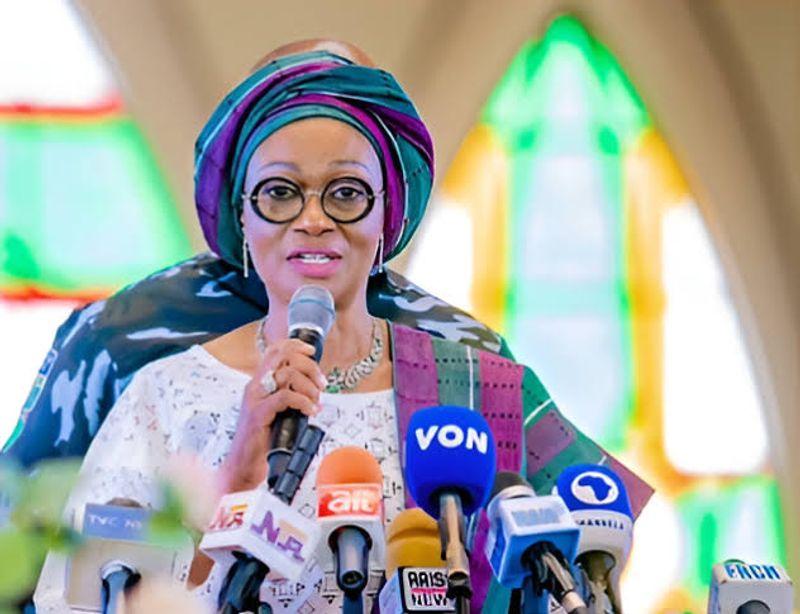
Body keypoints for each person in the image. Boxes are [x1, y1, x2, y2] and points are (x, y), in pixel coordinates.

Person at [32, 41, 652, 612]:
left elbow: (593, 570)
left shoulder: (478, 387)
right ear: (242, 220)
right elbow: (78, 601)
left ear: (387, 217)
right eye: (279, 193)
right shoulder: (162, 395)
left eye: (347, 193)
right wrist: (236, 476)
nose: (313, 220)